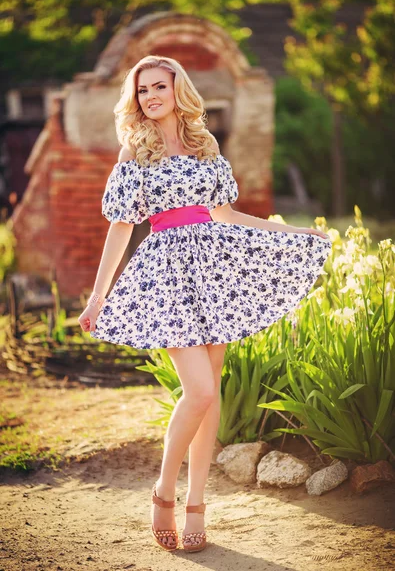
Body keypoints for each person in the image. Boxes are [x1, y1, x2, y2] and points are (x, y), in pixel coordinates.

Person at [78, 55, 332, 553]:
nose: (150, 96)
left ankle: (197, 503)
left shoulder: (204, 144)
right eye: (142, 90)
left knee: (210, 393)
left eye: (158, 87)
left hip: (214, 272)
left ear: (178, 91)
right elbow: (122, 226)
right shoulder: (135, 151)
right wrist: (98, 294)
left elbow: (224, 212)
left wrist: (285, 230)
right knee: (197, 391)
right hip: (167, 274)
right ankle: (163, 492)